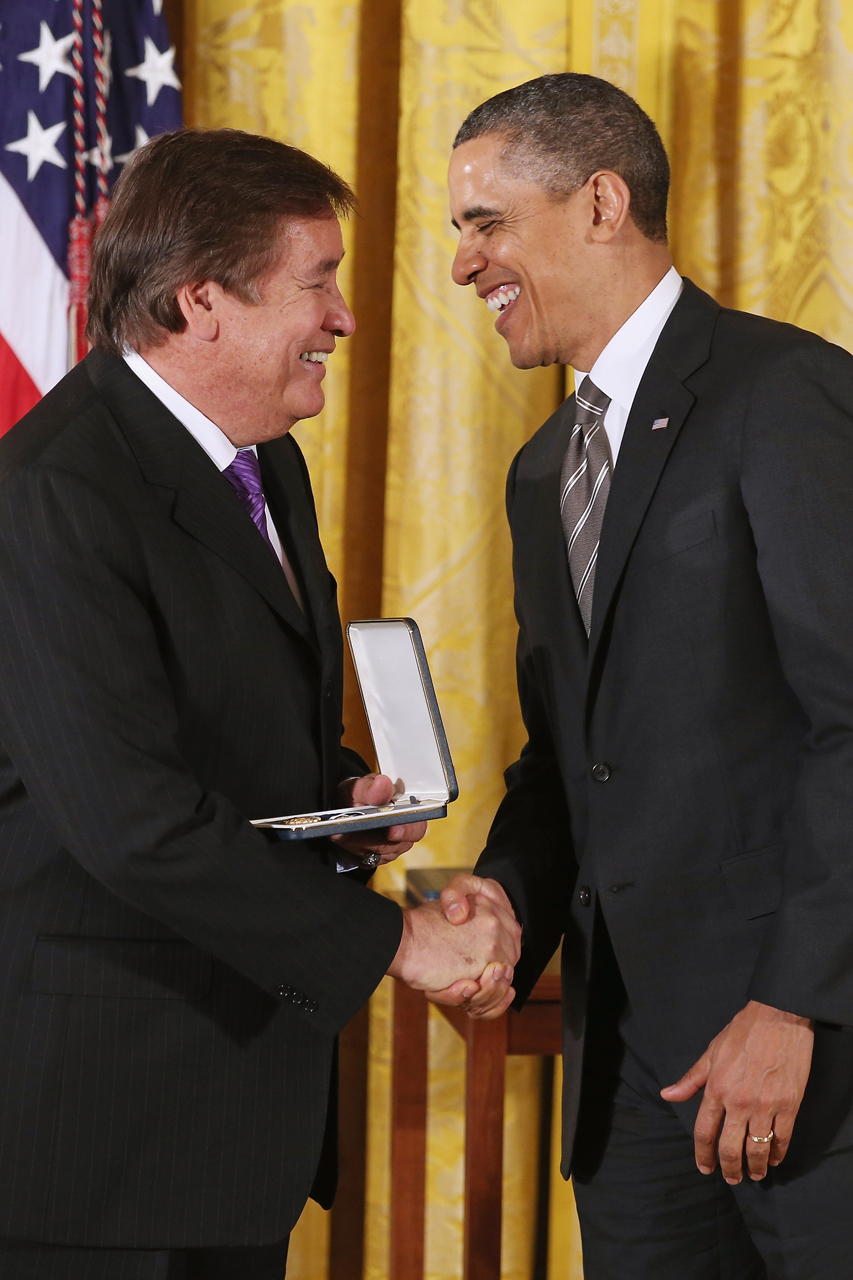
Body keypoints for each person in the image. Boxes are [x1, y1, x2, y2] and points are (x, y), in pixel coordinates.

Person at [0, 128, 521, 1280]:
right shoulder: (52, 494)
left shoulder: (261, 457)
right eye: (317, 282)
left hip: (226, 1120)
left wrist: (334, 792)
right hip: (93, 1142)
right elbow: (128, 816)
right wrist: (397, 943)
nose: (341, 317)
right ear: (201, 304)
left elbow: (199, 714)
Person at [435, 73, 853, 1277]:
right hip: (626, 1081)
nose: (465, 265)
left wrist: (802, 1005)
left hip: (801, 1072)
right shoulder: (536, 474)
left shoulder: (782, 397)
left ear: (602, 202)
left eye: (485, 222)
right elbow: (570, 757)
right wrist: (508, 892)